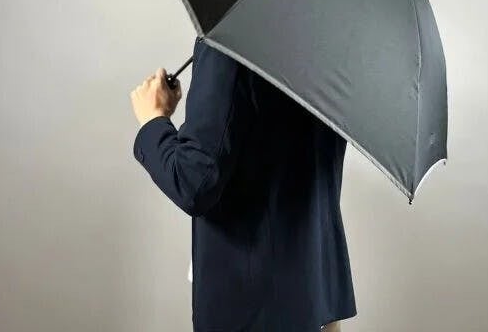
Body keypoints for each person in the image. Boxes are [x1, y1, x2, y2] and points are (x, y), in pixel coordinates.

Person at [130, 36, 356, 331]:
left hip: (253, 307)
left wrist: (153, 121)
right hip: (317, 295)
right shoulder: (335, 35)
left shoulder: (231, 41)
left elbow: (194, 183)